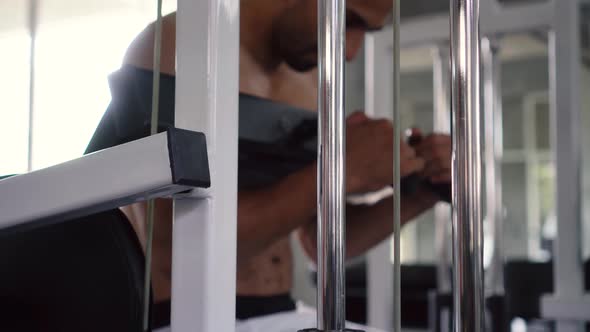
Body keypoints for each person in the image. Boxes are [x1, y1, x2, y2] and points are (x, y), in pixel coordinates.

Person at [86, 1, 452, 331]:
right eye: (349, 20)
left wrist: (419, 193)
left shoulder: (309, 79)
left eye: (364, 32)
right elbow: (193, 249)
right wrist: (341, 170)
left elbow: (318, 239)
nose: (352, 51)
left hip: (278, 311)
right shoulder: (183, 44)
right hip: (187, 314)